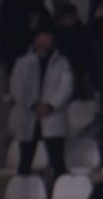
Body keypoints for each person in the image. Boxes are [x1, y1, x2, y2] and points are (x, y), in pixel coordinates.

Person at [8, 27, 73, 180]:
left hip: (53, 116)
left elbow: (66, 87)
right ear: (36, 39)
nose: (48, 39)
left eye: (49, 36)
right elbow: (17, 88)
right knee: (25, 161)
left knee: (57, 162)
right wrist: (33, 105)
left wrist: (50, 105)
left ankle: (60, 192)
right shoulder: (22, 62)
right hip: (29, 116)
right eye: (44, 36)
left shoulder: (62, 62)